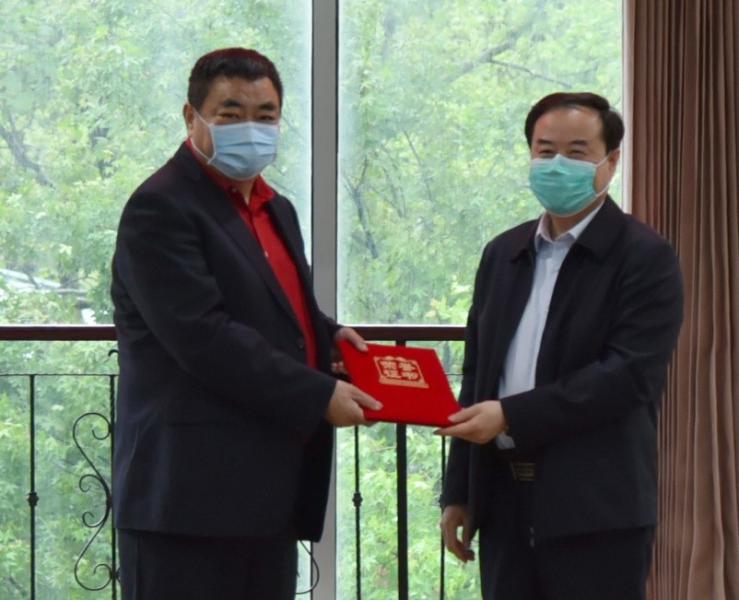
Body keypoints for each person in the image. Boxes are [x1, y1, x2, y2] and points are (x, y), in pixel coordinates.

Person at [110, 47, 380, 600]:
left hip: (266, 494)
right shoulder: (160, 207)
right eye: (230, 114)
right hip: (185, 500)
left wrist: (326, 334)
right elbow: (204, 337)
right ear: (192, 117)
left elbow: (269, 301)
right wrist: (319, 394)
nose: (251, 130)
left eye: (265, 115)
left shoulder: (276, 208)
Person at [437, 92, 684, 600]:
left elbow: (627, 376)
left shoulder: (645, 257)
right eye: (545, 151)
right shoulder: (503, 253)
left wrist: (510, 415)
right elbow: (477, 375)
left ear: (610, 162)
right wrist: (459, 491)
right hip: (503, 500)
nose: (556, 166)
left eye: (576, 152)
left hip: (597, 510)